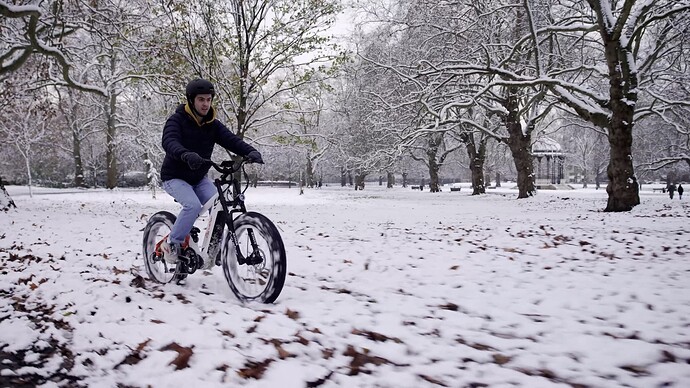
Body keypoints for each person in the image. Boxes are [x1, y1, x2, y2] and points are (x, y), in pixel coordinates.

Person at [159, 78, 263, 264]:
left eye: (208, 99)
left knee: (221, 204)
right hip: (174, 177)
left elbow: (231, 140)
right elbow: (169, 141)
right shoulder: (177, 120)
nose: (206, 104)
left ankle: (214, 248)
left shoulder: (212, 124)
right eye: (201, 99)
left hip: (198, 178)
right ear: (191, 100)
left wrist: (250, 151)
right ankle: (171, 243)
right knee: (192, 206)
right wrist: (185, 154)